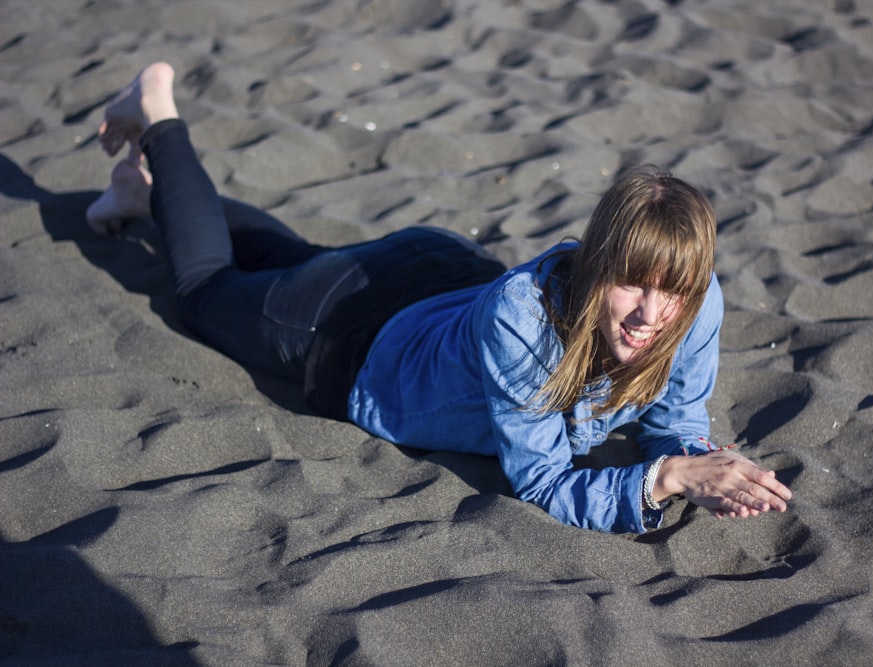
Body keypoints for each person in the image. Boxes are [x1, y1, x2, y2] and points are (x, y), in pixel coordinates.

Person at [87, 63, 792, 533]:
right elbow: (542, 480)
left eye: (672, 292)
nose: (650, 313)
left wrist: (698, 463)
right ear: (599, 259)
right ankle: (157, 114)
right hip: (357, 333)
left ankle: (144, 197)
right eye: (631, 281)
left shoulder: (695, 302)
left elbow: (673, 416)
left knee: (298, 258)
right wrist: (664, 476)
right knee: (207, 291)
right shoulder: (526, 321)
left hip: (446, 277)